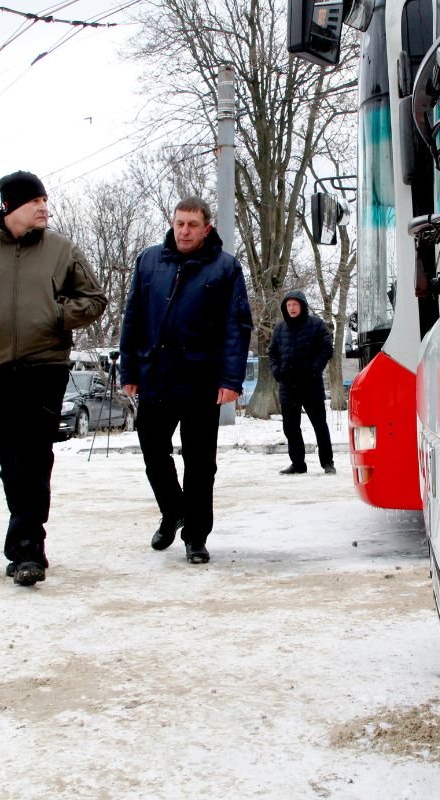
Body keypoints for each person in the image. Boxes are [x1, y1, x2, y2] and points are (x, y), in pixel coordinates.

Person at [0, 170, 107, 586]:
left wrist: (56, 315)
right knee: (11, 460)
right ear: (9, 206)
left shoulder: (61, 249)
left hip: (45, 365)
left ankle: (28, 548)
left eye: (45, 201)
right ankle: (26, 539)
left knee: (36, 458)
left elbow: (94, 298)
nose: (43, 208)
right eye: (35, 202)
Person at [120, 197, 252, 565]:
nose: (185, 230)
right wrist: (129, 370)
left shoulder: (225, 268)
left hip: (201, 381)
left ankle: (196, 536)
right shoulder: (150, 261)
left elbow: (236, 326)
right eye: (180, 223)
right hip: (156, 376)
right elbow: (133, 317)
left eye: (193, 224)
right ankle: (173, 509)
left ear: (206, 227)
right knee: (152, 452)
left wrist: (230, 378)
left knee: (199, 464)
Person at [268, 290, 335, 475]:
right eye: (288, 305)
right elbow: (272, 353)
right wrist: (277, 372)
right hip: (288, 386)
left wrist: (314, 369)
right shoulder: (280, 328)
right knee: (290, 427)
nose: (291, 308)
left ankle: (327, 462)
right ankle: (298, 463)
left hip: (311, 384)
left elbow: (327, 348)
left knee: (320, 425)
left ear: (302, 305)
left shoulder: (316, 325)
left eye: (294, 305)